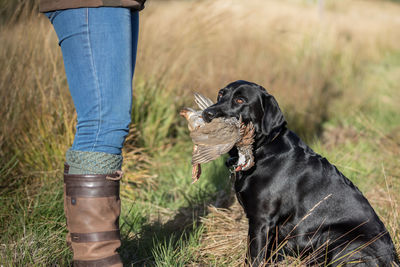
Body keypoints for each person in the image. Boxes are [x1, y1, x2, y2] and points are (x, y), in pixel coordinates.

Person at [40, 1, 146, 266]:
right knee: (102, 125)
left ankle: (94, 254)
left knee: (108, 123)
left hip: (118, 2)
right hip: (92, 3)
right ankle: (97, 258)